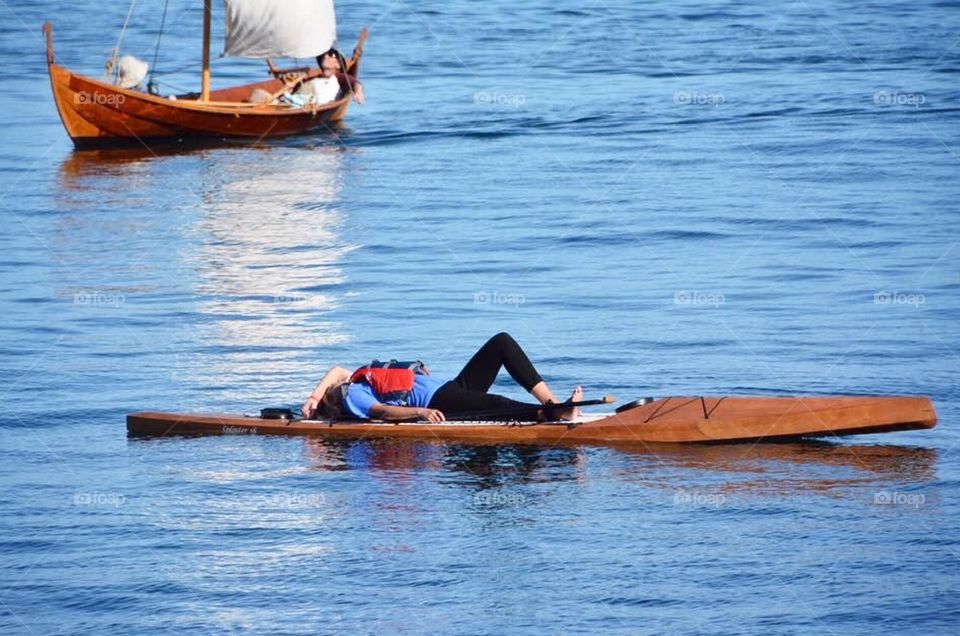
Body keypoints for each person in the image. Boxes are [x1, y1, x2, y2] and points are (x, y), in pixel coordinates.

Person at [302, 333, 582, 422]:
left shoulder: (358, 380)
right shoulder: (356, 396)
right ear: (336, 397)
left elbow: (337, 370)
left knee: (502, 343)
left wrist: (312, 397)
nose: (338, 381)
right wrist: (422, 413)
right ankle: (550, 415)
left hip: (451, 387)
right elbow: (384, 411)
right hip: (440, 402)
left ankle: (553, 403)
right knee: (495, 403)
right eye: (334, 387)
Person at [293, 48, 365, 106]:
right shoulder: (312, 77)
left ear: (339, 64)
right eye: (323, 55)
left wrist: (358, 92)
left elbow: (356, 83)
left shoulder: (339, 77)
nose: (326, 56)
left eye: (331, 55)